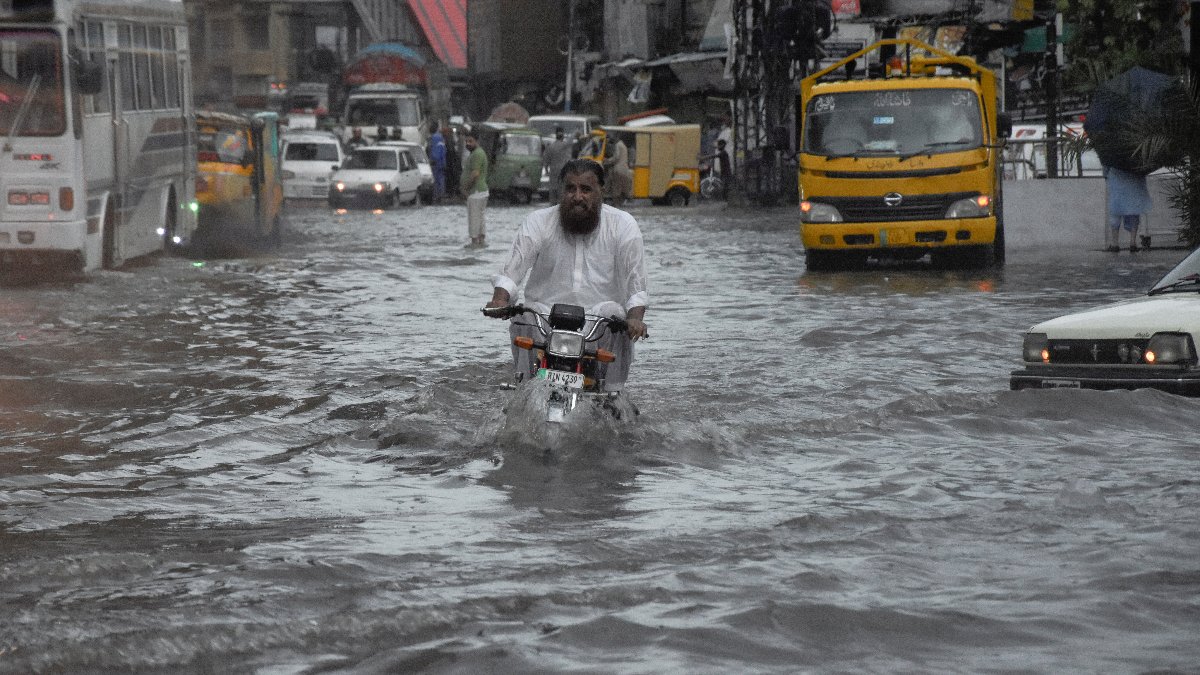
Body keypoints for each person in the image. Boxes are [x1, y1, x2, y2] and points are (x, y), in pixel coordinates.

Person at [484, 159, 649, 391]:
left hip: (597, 325)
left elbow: (636, 287)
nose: (577, 197)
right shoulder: (538, 222)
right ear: (562, 191)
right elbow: (512, 270)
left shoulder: (623, 226)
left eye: (586, 189)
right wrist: (500, 300)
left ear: (602, 191)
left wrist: (635, 319)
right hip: (546, 320)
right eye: (571, 189)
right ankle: (524, 390)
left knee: (615, 315)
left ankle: (611, 394)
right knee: (523, 315)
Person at [1104, 165, 1152, 252]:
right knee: (1133, 210)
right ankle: (1132, 243)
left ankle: (1115, 244)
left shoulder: (1112, 155)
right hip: (1134, 176)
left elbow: (1106, 164)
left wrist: (1106, 174)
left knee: (1115, 211)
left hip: (1117, 176)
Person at [461, 129, 489, 247]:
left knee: (474, 218)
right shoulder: (479, 153)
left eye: (470, 141)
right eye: (466, 141)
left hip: (475, 192)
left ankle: (474, 243)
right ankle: (481, 241)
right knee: (480, 217)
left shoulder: (477, 154)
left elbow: (475, 173)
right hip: (482, 191)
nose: (468, 143)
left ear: (477, 141)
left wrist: (465, 188)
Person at [541, 126, 574, 203]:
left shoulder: (550, 147)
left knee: (552, 194)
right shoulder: (565, 146)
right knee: (562, 194)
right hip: (563, 173)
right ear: (562, 135)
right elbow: (569, 159)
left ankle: (553, 209)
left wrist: (546, 171)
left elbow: (546, 161)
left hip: (553, 173)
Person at [604, 136, 633, 204]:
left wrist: (607, 160)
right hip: (625, 169)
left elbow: (616, 157)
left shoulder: (617, 145)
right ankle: (623, 200)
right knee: (622, 186)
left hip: (618, 168)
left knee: (616, 186)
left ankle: (616, 203)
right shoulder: (623, 145)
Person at [428, 121, 447, 202]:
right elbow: (443, 150)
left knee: (436, 179)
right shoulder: (440, 137)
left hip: (436, 162)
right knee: (440, 179)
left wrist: (432, 160)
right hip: (441, 161)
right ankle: (441, 195)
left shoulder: (434, 138)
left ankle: (437, 196)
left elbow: (434, 151)